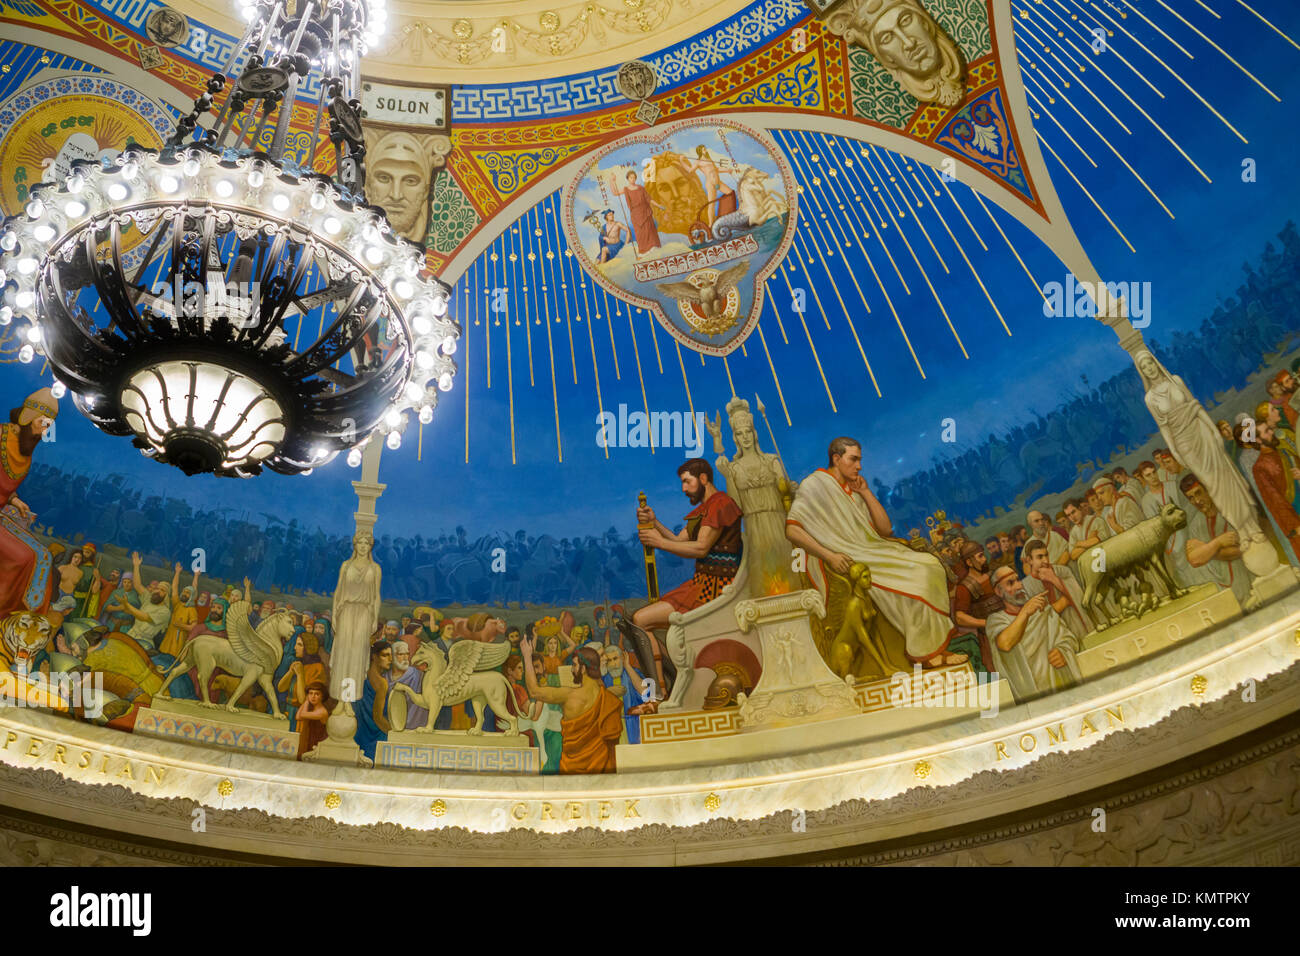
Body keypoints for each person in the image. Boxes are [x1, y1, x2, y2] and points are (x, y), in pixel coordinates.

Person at [786, 437, 965, 667]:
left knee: (929, 565)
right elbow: (792, 529)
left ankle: (935, 646)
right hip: (848, 557)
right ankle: (927, 653)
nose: (859, 466)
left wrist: (866, 493)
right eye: (853, 459)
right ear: (836, 459)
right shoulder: (815, 485)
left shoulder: (853, 488)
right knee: (918, 575)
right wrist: (829, 556)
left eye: (859, 460)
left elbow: (885, 529)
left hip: (872, 549)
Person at [633, 458, 744, 691]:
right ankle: (664, 688)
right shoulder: (705, 508)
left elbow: (701, 547)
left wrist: (658, 542)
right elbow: (678, 541)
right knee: (639, 622)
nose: (684, 488)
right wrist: (655, 523)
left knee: (641, 621)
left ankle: (660, 692)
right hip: (700, 584)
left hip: (715, 589)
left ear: (703, 478)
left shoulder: (721, 504)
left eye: (687, 481)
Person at [520, 637, 622, 773]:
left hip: (572, 767)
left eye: (574, 665)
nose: (572, 669)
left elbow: (534, 691)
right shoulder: (608, 698)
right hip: (601, 766)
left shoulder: (569, 695)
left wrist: (527, 657)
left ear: (583, 668)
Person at [0, 388, 58, 620]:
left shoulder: (26, 452)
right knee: (22, 557)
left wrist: (15, 500)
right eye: (42, 424)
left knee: (40, 556)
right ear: (27, 417)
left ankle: (12, 620)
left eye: (48, 427)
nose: (44, 432)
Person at [983, 566, 1082, 700]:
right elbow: (1005, 643)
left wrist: (1063, 651)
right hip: (1029, 694)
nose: (1019, 586)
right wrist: (1025, 612)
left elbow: (1068, 637)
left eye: (1018, 580)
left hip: (1060, 685)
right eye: (1010, 583)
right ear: (999, 592)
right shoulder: (996, 620)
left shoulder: (1042, 610)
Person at [1180, 473, 1253, 607]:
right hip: (1224, 589)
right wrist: (1218, 542)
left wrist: (1205, 550)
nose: (1197, 501)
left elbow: (1240, 549)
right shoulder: (1196, 523)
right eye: (1191, 498)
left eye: (1198, 493)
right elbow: (1194, 559)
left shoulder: (1229, 511)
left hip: (1249, 580)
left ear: (1207, 489)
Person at [1021, 540, 1090, 639]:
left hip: (1075, 625)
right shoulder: (1025, 585)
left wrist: (1054, 579)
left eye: (1046, 555)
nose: (1045, 560)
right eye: (1040, 557)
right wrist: (1056, 607)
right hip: (1052, 635)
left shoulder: (1063, 570)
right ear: (1029, 560)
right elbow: (1033, 620)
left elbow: (1079, 595)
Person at [108, 552, 172, 649]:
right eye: (157, 588)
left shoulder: (165, 612)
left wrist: (127, 605)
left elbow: (144, 617)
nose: (158, 591)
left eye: (162, 590)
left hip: (144, 642)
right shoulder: (149, 599)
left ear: (166, 596)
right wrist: (136, 566)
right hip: (131, 634)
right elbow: (137, 585)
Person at [607, 169, 663, 256]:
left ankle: (653, 247)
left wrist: (658, 205)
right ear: (628, 179)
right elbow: (615, 193)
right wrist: (612, 181)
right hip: (636, 214)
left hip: (645, 212)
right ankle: (644, 251)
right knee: (640, 233)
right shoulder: (626, 189)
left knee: (650, 231)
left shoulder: (641, 188)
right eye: (631, 177)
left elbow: (649, 199)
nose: (632, 179)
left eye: (634, 177)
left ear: (636, 178)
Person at [600, 644, 646, 745]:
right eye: (609, 661)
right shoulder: (604, 678)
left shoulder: (633, 673)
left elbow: (646, 694)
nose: (613, 664)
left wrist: (628, 666)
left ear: (622, 658)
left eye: (615, 659)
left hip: (634, 725)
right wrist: (608, 692)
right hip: (613, 728)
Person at [354, 641, 392, 762]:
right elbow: (378, 718)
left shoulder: (361, 676)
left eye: (390, 655)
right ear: (374, 657)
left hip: (359, 732)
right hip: (376, 736)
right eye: (385, 655)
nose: (390, 659)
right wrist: (394, 733)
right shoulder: (382, 683)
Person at [159, 561, 200, 658]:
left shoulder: (191, 610)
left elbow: (193, 627)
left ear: (191, 596)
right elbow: (174, 588)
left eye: (187, 593)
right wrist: (177, 573)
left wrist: (182, 626)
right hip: (169, 638)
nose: (184, 594)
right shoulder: (178, 604)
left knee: (172, 660)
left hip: (179, 642)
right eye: (184, 592)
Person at [296, 682, 330, 760]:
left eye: (317, 694)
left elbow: (302, 715)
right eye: (310, 693)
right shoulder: (312, 709)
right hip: (310, 741)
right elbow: (298, 717)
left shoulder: (322, 712)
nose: (313, 697)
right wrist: (306, 701)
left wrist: (307, 701)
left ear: (322, 696)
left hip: (318, 744)